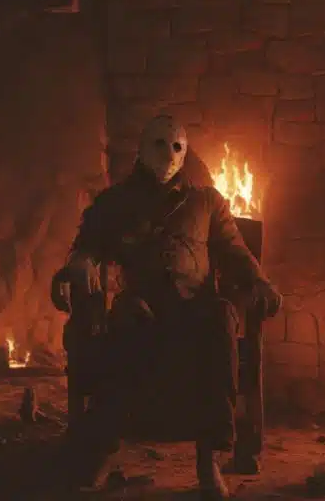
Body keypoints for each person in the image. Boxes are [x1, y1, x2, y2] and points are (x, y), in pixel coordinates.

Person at [52, 115, 282, 499]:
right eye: (160, 144)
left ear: (185, 152)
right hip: (141, 307)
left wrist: (259, 281)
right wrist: (78, 264)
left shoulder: (207, 202)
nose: (169, 154)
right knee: (126, 325)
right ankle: (102, 448)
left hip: (194, 309)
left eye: (177, 146)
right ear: (143, 149)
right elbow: (87, 244)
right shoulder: (117, 202)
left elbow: (235, 252)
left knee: (222, 315)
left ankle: (210, 456)